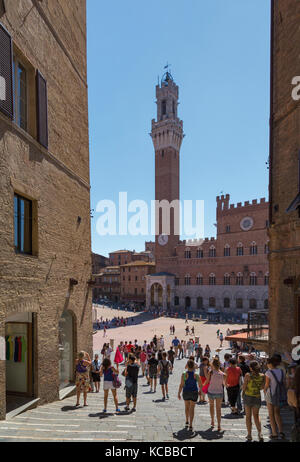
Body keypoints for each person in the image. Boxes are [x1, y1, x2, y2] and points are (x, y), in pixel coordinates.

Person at [264, 356, 287, 440]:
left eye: (267, 363)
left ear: (270, 364)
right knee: (277, 413)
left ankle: (274, 433)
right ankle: (281, 431)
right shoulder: (281, 371)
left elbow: (267, 385)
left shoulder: (268, 373)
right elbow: (284, 383)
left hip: (271, 394)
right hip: (279, 394)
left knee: (271, 414)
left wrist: (264, 391)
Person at [242, 360, 265, 442]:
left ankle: (249, 435)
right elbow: (262, 387)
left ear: (251, 368)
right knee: (256, 415)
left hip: (248, 396)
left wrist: (243, 393)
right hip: (257, 397)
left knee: (248, 416)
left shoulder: (248, 375)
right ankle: (260, 433)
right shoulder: (262, 376)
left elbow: (244, 387)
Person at [178, 359, 202, 433]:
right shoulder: (196, 375)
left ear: (187, 366)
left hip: (186, 392)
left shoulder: (184, 374)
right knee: (192, 408)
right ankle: (191, 424)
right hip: (194, 392)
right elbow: (200, 385)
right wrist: (200, 391)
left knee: (186, 407)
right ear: (194, 366)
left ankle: (186, 421)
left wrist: (178, 393)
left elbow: (181, 385)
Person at [204, 358, 226, 432]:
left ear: (213, 365)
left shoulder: (211, 372)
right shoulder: (223, 374)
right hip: (219, 392)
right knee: (218, 409)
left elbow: (207, 381)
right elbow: (225, 384)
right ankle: (219, 425)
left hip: (211, 391)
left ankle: (212, 420)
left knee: (211, 406)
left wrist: (202, 387)